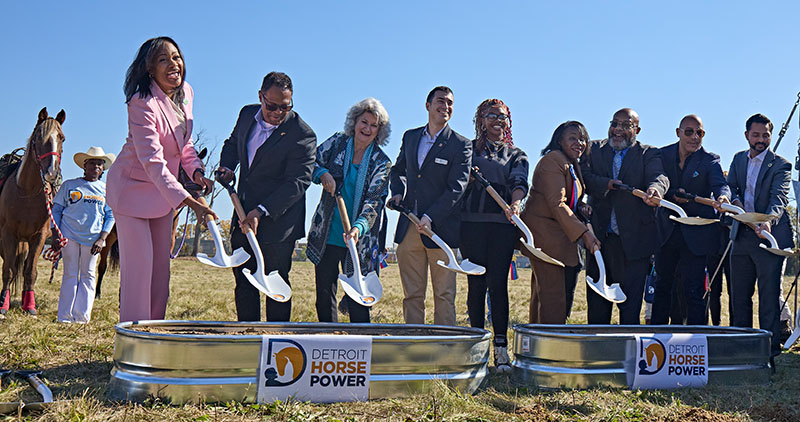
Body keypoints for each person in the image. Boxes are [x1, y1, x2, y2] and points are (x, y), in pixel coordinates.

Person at [107, 37, 216, 323]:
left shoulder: (187, 93)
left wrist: (196, 172)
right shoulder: (141, 102)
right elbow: (153, 161)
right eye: (164, 60)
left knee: (160, 272)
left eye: (177, 57)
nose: (174, 64)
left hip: (162, 196)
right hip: (131, 191)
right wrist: (190, 201)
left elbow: (185, 145)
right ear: (149, 69)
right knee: (140, 268)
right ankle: (134, 341)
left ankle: (153, 335)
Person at [218, 72, 316, 322]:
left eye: (285, 107)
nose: (277, 112)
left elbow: (297, 182)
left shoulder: (302, 134)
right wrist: (228, 166)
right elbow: (232, 144)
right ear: (260, 96)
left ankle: (277, 344)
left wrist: (261, 210)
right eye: (271, 106)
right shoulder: (245, 115)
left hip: (279, 223)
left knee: (276, 285)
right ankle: (248, 340)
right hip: (243, 215)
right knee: (244, 282)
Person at [388, 86, 472, 326]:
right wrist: (397, 193)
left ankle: (443, 344)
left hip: (440, 231)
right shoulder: (411, 137)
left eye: (450, 103)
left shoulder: (461, 145)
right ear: (428, 105)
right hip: (408, 228)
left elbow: (457, 187)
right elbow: (398, 170)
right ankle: (416, 343)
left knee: (444, 295)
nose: (445, 106)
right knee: (412, 294)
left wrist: (430, 216)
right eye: (441, 101)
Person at [306, 98, 392, 323]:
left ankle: (360, 345)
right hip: (329, 232)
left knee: (358, 297)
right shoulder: (337, 143)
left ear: (379, 131)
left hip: (359, 239)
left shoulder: (381, 163)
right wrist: (322, 174)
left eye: (374, 126)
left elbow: (374, 202)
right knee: (324, 294)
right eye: (364, 122)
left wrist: (358, 228)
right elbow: (310, 162)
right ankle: (329, 339)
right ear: (354, 122)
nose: (367, 129)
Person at [580, 108, 669, 324]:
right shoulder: (593, 150)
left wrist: (656, 190)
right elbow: (585, 178)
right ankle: (598, 355)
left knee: (629, 312)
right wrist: (606, 184)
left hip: (634, 245)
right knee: (597, 312)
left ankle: (628, 356)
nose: (618, 130)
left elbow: (659, 177)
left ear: (637, 130)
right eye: (614, 124)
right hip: (599, 242)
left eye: (625, 125)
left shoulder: (648, 153)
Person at [461, 99, 529, 371]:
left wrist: (515, 204)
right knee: (475, 286)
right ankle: (476, 350)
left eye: (503, 117)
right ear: (481, 120)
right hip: (471, 226)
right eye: (492, 116)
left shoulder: (516, 154)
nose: (498, 121)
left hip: (502, 228)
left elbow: (519, 182)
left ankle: (501, 351)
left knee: (498, 286)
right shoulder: (467, 151)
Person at [727, 113, 793, 366]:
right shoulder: (737, 160)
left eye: (766, 135)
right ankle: (740, 350)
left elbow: (779, 198)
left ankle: (769, 354)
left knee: (768, 297)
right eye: (756, 135)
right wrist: (735, 204)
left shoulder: (781, 165)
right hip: (741, 237)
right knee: (739, 297)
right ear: (747, 136)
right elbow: (730, 186)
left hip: (769, 238)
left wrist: (767, 221)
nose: (761, 140)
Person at [651, 115, 730, 325]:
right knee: (662, 286)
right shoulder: (662, 154)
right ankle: (656, 338)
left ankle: (697, 341)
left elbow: (720, 185)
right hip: (667, 233)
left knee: (694, 289)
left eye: (700, 133)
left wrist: (723, 197)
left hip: (696, 236)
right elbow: (657, 179)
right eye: (689, 132)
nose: (695, 137)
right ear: (678, 133)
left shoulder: (710, 160)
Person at [520, 121, 600, 325]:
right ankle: (548, 348)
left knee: (546, 297)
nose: (579, 143)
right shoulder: (552, 161)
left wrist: (580, 206)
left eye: (583, 139)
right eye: (573, 138)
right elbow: (556, 202)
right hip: (546, 240)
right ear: (559, 140)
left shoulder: (571, 163)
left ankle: (539, 345)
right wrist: (584, 233)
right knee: (552, 299)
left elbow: (568, 198)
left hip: (559, 238)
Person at [52, 147, 116, 323]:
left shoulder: (106, 190)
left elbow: (111, 215)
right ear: (84, 166)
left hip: (93, 239)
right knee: (70, 274)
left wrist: (102, 238)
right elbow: (57, 210)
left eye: (99, 163)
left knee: (88, 275)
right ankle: (65, 317)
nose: (96, 166)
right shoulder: (69, 185)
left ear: (103, 168)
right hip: (69, 235)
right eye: (92, 163)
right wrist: (55, 233)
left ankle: (81, 317)